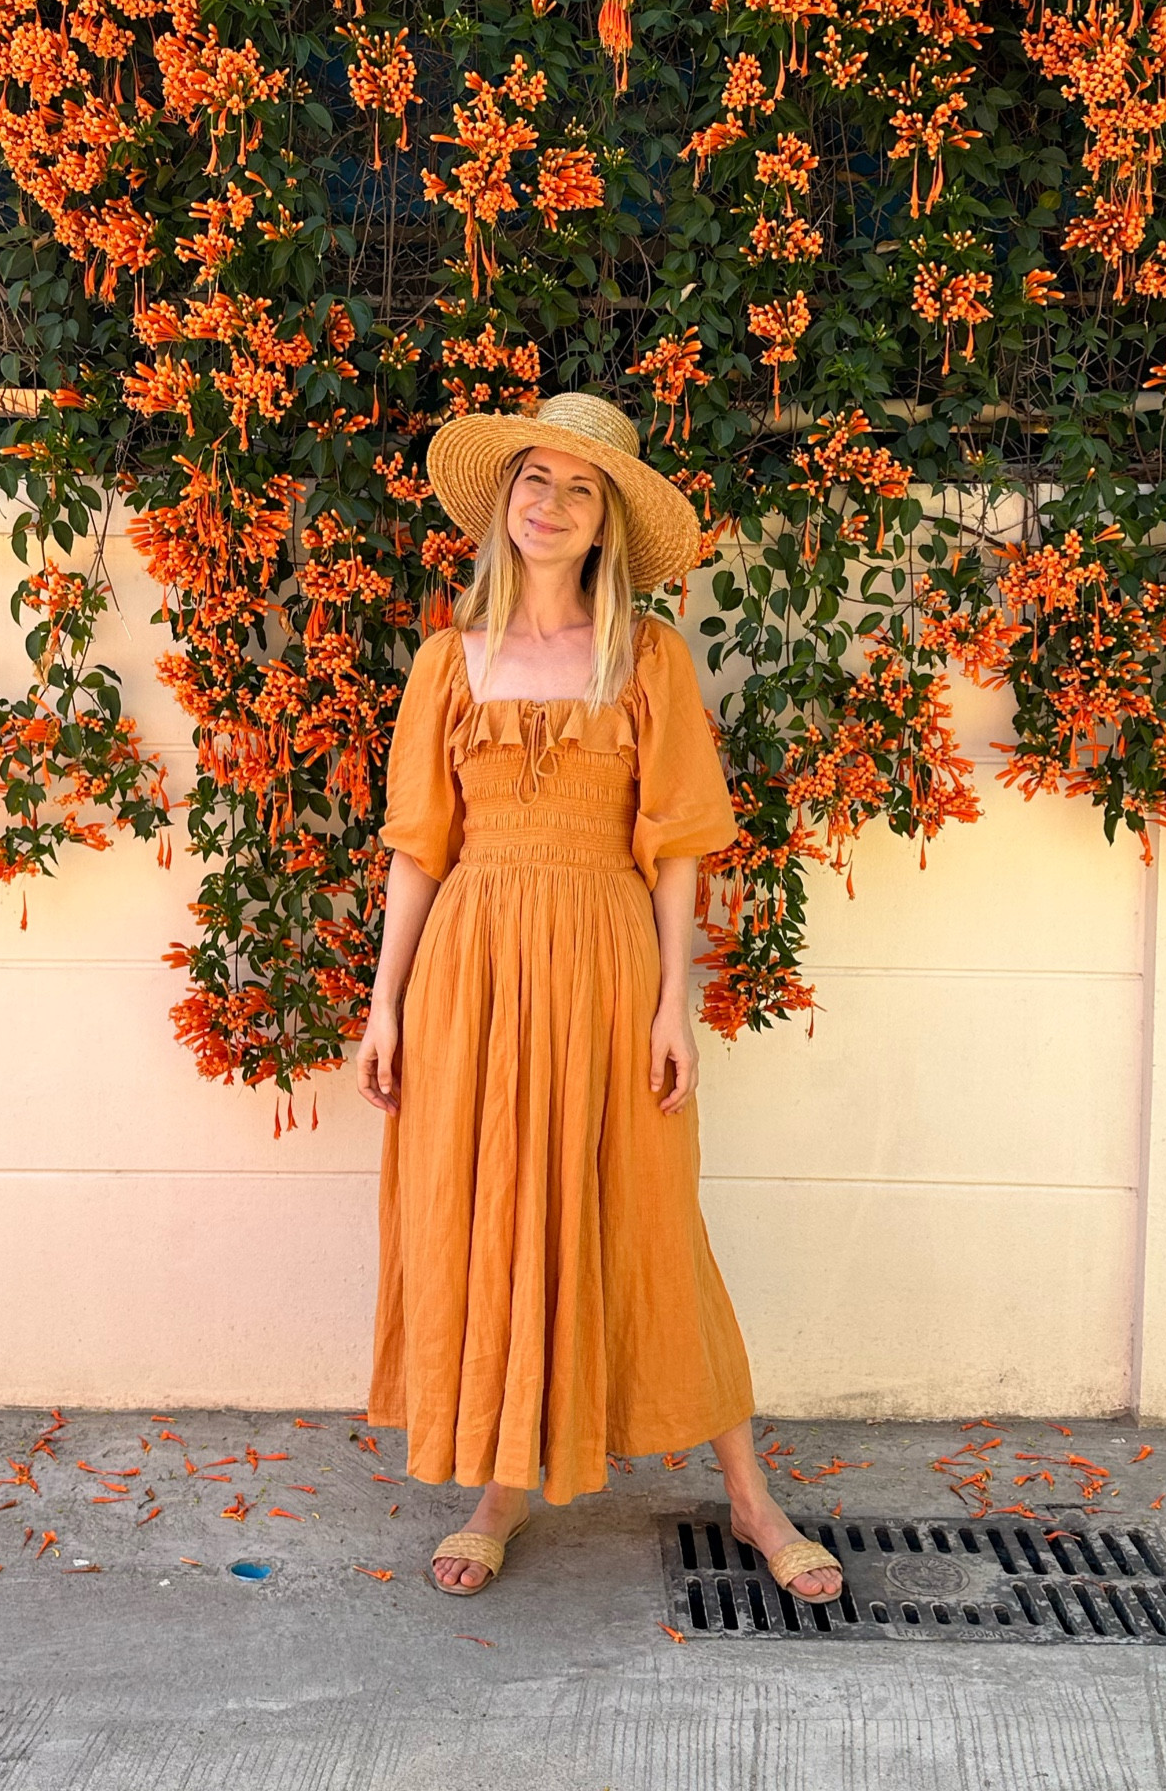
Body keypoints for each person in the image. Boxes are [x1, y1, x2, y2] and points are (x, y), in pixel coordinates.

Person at [355, 391, 842, 1605]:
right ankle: (500, 1485)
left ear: (607, 519)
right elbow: (419, 843)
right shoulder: (442, 661)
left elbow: (677, 843)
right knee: (494, 1210)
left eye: (581, 488)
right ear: (503, 501)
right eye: (536, 478)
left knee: (648, 1214)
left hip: (611, 961)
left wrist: (675, 1000)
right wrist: (385, 1002)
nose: (552, 503)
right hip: (472, 967)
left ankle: (747, 1490)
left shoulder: (650, 658)